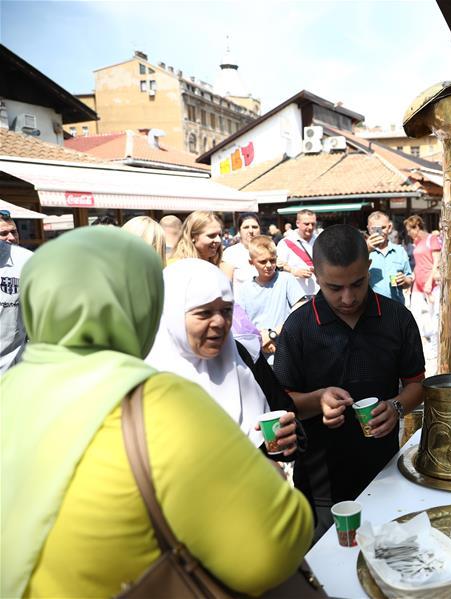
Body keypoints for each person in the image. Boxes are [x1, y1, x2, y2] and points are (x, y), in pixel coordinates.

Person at [0, 227, 313, 598]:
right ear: (147, 304)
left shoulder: (11, 392)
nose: (219, 323)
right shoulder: (157, 401)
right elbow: (274, 548)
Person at [274, 224, 425, 535]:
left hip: (383, 473)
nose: (348, 297)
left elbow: (417, 385)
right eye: (334, 287)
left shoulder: (397, 318)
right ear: (316, 277)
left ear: (369, 268)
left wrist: (396, 407)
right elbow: (281, 404)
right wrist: (317, 400)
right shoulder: (299, 327)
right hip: (319, 482)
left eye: (357, 284)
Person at [145, 258, 298, 453]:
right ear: (172, 314)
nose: (220, 322)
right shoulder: (146, 380)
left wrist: (288, 437)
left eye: (226, 310)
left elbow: (285, 415)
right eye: (204, 313)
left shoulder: (243, 355)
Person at [237, 236, 304, 363]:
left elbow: (300, 312)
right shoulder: (244, 289)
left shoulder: (286, 279)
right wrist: (261, 340)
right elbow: (242, 324)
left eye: (272, 260)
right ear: (251, 262)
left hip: (285, 352)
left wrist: (272, 335)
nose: (268, 265)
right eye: (262, 261)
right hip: (258, 355)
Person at [404, 214, 442, 375]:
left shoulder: (430, 239)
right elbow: (418, 263)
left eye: (409, 230)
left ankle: (434, 350)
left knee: (433, 318)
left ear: (416, 227)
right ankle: (426, 350)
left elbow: (437, 261)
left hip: (430, 284)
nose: (408, 233)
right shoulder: (417, 242)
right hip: (417, 284)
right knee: (418, 318)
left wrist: (429, 281)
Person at [0, 212, 33, 372]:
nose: (11, 238)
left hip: (14, 371)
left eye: (14, 231)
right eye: (3, 233)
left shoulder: (26, 261)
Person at [366, 211, 413, 304]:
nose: (379, 232)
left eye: (383, 228)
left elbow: (409, 280)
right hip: (372, 308)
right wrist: (366, 250)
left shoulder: (399, 251)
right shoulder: (362, 252)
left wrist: (404, 280)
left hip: (396, 307)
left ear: (389, 227)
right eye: (374, 229)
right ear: (368, 229)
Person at [276, 209, 318, 301]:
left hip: (319, 292)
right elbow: (279, 266)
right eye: (306, 224)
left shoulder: (321, 240)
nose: (310, 227)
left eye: (313, 224)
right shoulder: (286, 242)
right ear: (298, 223)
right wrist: (294, 271)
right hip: (297, 296)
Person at [221, 212, 262, 289]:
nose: (251, 231)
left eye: (255, 227)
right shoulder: (230, 253)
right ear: (239, 231)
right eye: (246, 227)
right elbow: (225, 287)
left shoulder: (268, 250)